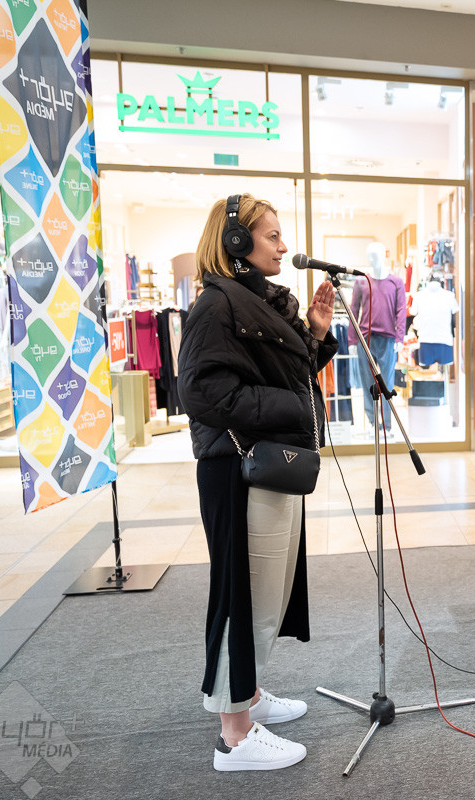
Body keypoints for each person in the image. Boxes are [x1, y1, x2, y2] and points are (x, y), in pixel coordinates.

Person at [178, 193, 337, 771]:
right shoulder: (216, 305)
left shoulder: (260, 300)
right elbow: (202, 391)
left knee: (268, 591)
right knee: (242, 595)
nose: (283, 245)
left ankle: (246, 692)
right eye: (272, 236)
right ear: (237, 242)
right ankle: (234, 736)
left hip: (268, 461)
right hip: (236, 469)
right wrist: (290, 408)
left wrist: (315, 333)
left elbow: (280, 371)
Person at [348, 250, 406, 436]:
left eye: (377, 254)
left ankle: (387, 426)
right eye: (370, 255)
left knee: (387, 384)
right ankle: (373, 423)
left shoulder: (396, 282)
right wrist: (352, 339)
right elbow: (353, 310)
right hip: (365, 338)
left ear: (383, 256)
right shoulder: (361, 281)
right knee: (368, 383)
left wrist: (400, 337)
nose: (373, 259)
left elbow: (401, 310)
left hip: (388, 339)